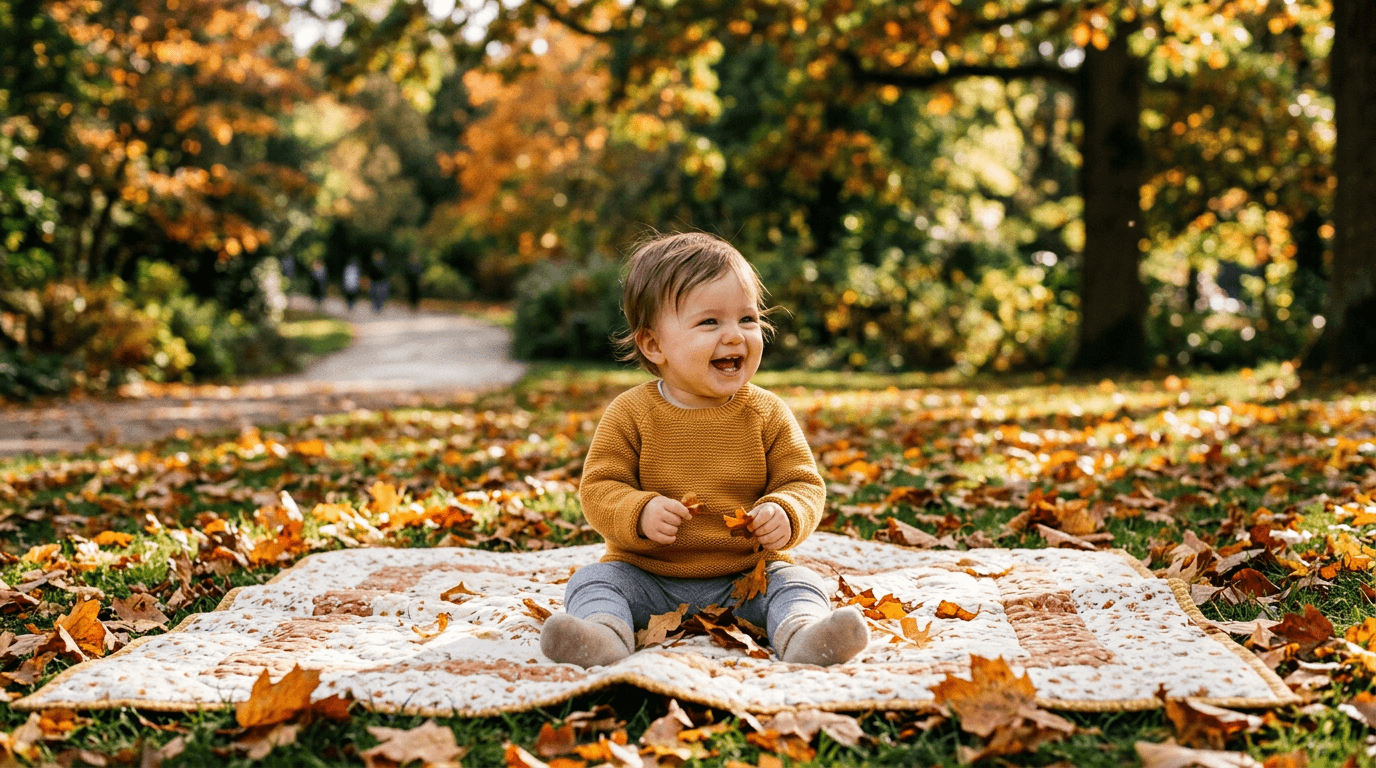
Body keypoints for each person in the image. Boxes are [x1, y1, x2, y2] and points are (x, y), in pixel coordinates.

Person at [540, 232, 869, 668]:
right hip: (648, 575)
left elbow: (802, 481)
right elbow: (600, 487)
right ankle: (603, 634)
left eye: (748, 319)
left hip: (748, 578)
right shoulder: (632, 413)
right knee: (594, 581)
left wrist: (785, 511)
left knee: (797, 582)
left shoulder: (766, 413)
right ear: (654, 345)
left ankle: (804, 634)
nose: (734, 336)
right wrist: (638, 511)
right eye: (710, 322)